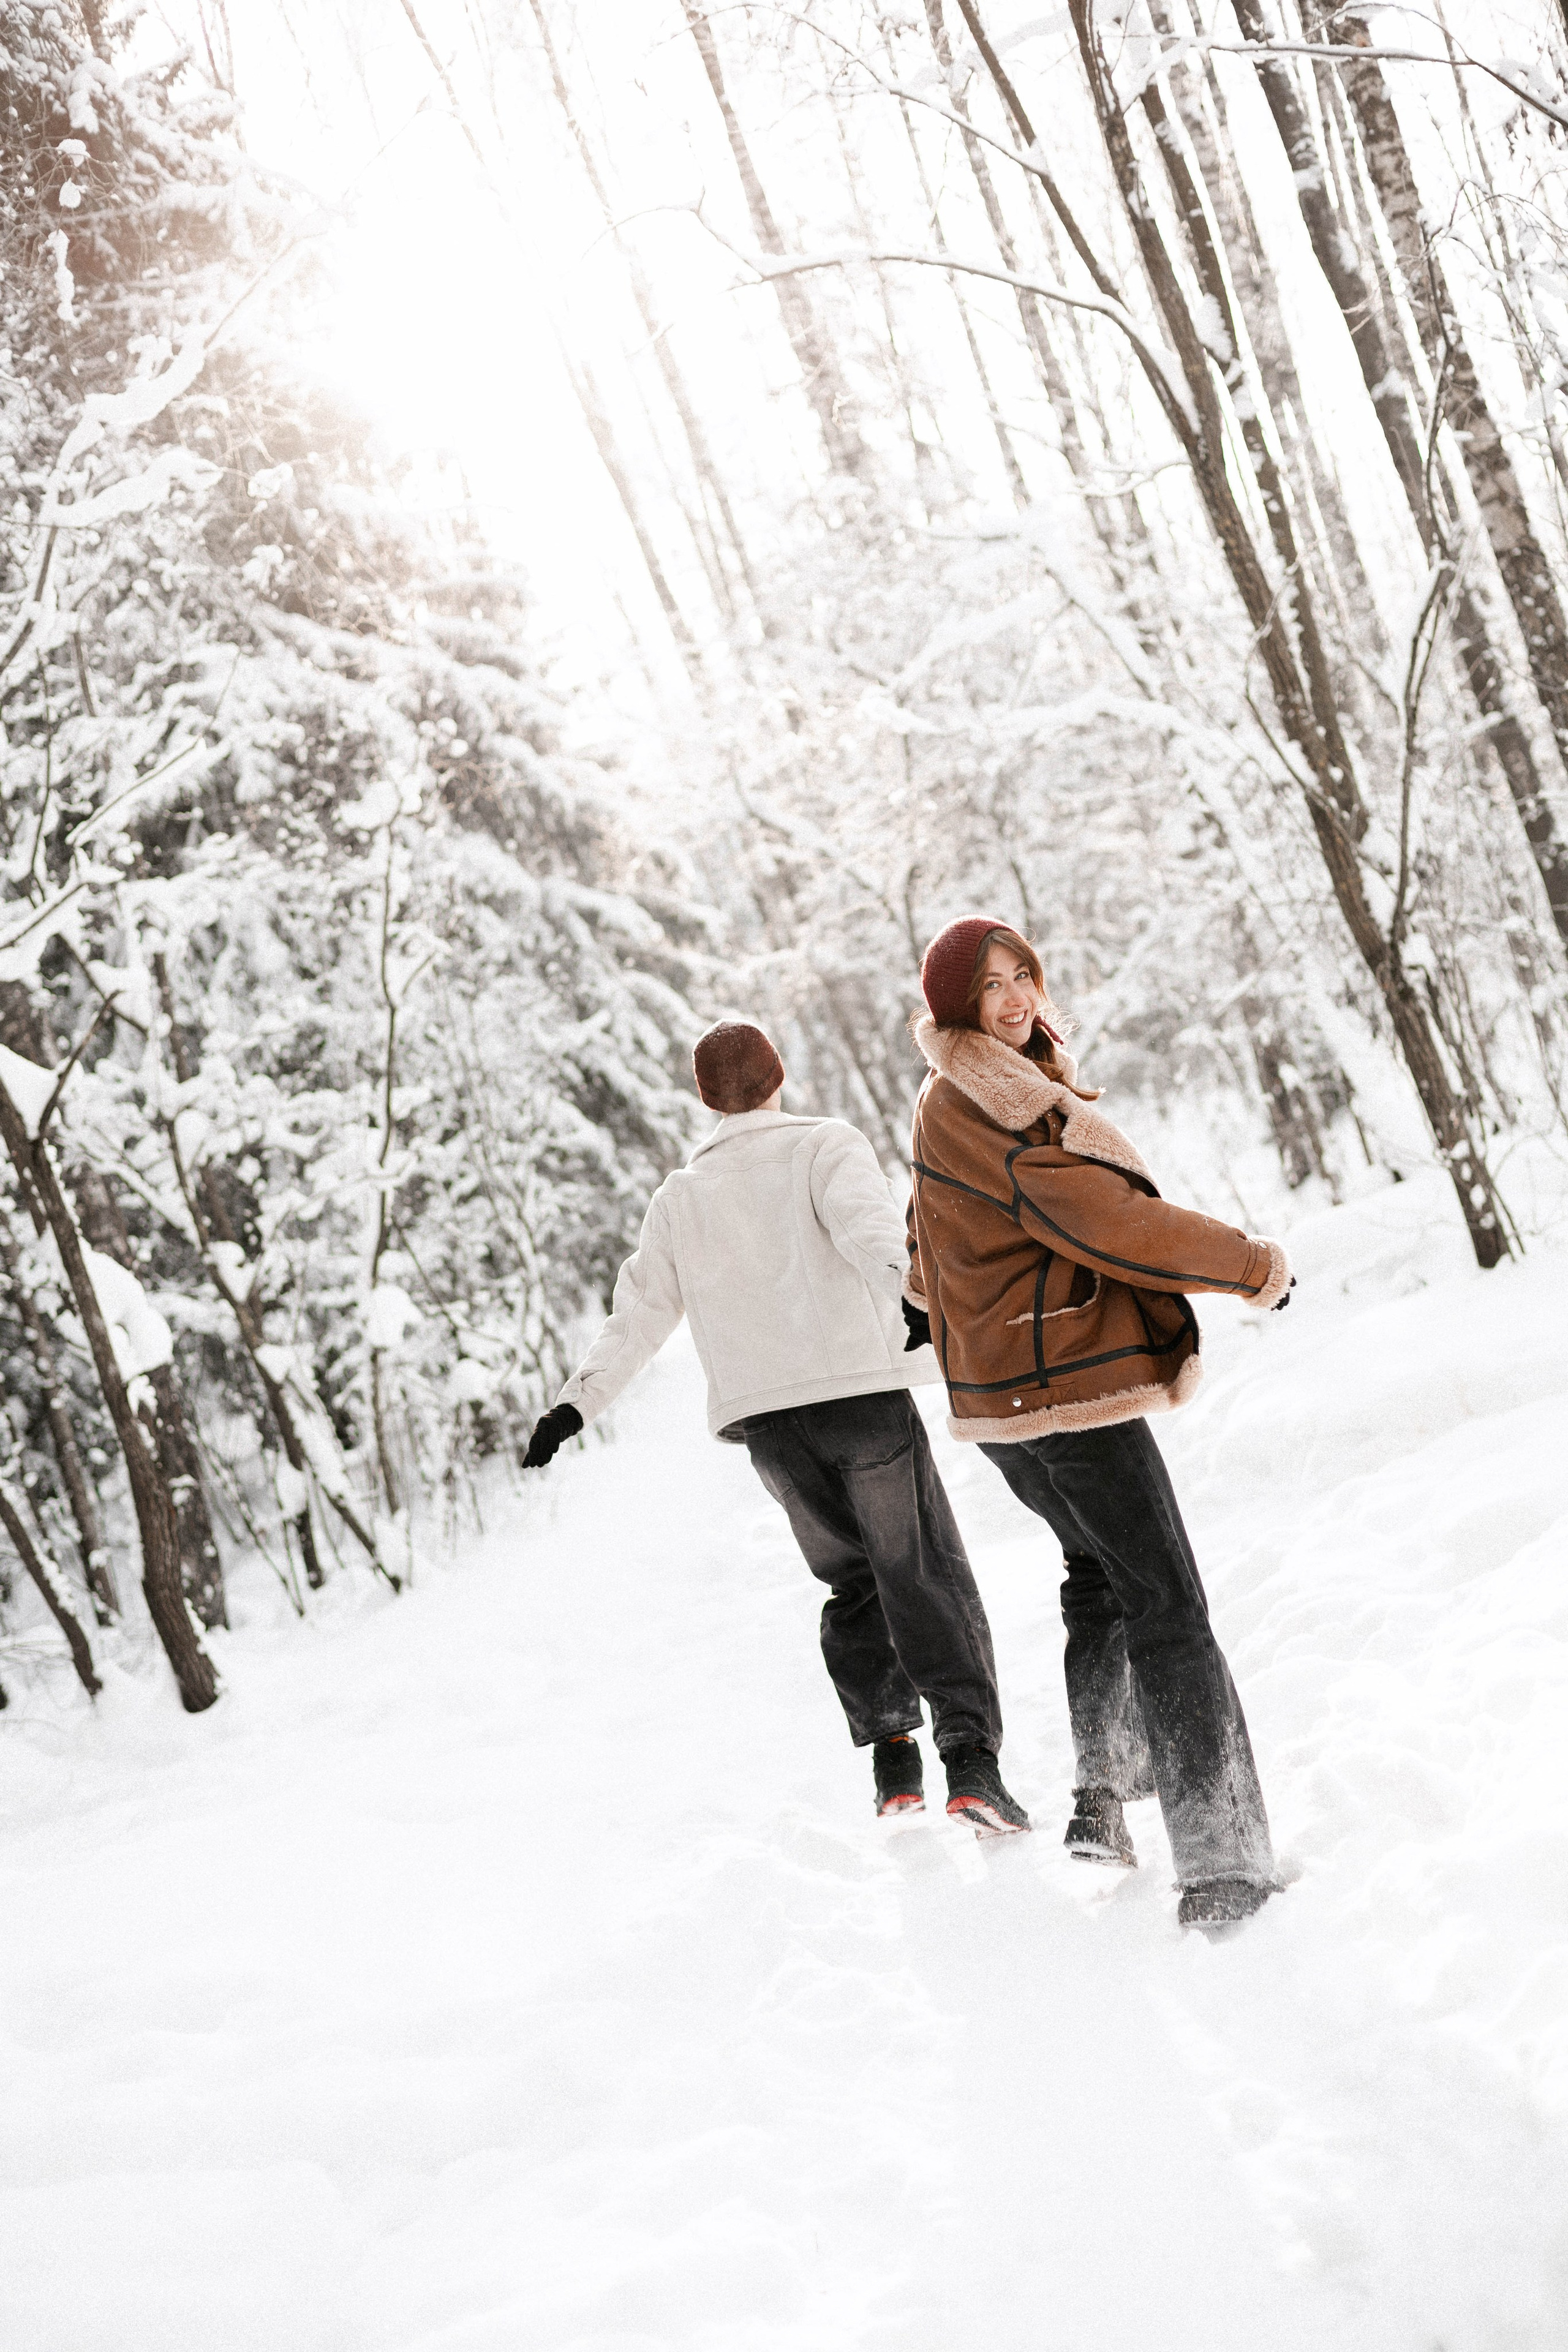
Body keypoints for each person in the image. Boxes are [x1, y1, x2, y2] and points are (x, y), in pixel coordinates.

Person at [522, 1019, 1030, 1837]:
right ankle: (972, 1767)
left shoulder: (680, 1198)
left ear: (703, 1099)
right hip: (861, 1400)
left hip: (770, 1427)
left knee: (854, 1582)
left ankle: (895, 1767)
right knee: (923, 1573)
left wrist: (575, 1405)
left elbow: (641, 1313)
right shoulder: (825, 1146)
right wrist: (925, 1310)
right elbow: (875, 1240)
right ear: (780, 1074)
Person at [903, 917, 1294, 1931]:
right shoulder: (1006, 1107)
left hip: (1009, 1409)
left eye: (1022, 974)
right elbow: (1109, 1223)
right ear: (959, 1010)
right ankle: (1221, 1863)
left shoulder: (943, 1102)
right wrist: (1255, 1267)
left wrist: (964, 1308)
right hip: (1067, 1393)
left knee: (1102, 1584)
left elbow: (921, 1248)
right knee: (1168, 1607)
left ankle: (1102, 1805)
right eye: (991, 989)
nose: (1017, 997)